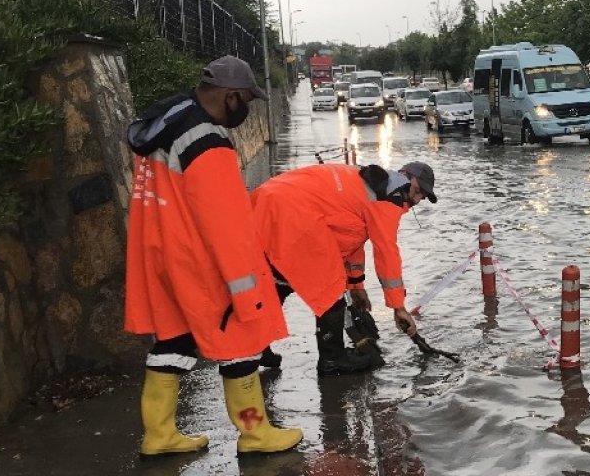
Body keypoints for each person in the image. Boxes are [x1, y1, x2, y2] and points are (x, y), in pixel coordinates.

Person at [124, 55, 302, 458]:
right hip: (198, 259)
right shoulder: (207, 141)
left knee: (174, 340)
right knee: (241, 339)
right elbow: (227, 224)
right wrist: (248, 290)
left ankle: (159, 434)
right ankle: (255, 433)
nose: (247, 109)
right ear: (232, 96)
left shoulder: (169, 124)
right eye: (247, 101)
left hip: (160, 252)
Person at [251, 161, 436, 375]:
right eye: (419, 190)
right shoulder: (390, 196)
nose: (418, 198)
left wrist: (356, 285)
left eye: (424, 196)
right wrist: (398, 307)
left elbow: (349, 237)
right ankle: (333, 358)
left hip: (269, 201)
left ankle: (255, 346)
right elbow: (386, 252)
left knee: (280, 281)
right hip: (292, 214)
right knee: (330, 288)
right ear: (407, 177)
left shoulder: (370, 182)